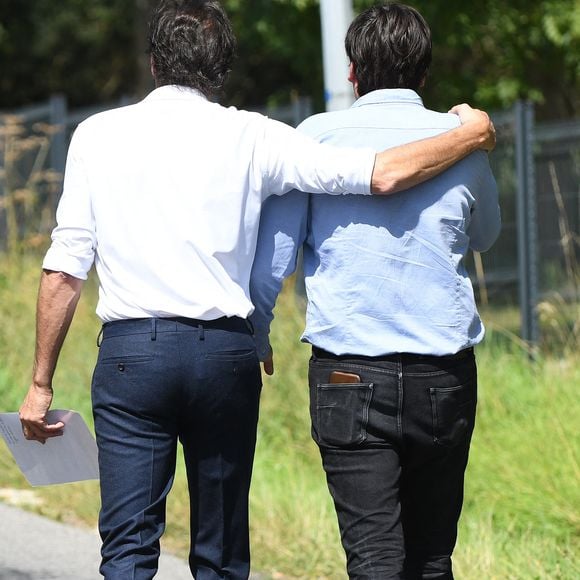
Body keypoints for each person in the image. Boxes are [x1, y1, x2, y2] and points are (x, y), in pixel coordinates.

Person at [18, 1, 495, 579]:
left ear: (152, 64)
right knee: (221, 554)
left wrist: (41, 383)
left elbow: (65, 268)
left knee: (127, 546)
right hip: (226, 357)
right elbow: (380, 174)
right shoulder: (257, 137)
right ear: (223, 70)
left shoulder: (96, 136)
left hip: (132, 359)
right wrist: (469, 134)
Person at [250, 3, 501, 579]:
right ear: (424, 73)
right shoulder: (461, 138)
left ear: (353, 72)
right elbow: (485, 235)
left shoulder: (315, 136)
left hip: (347, 373)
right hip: (444, 375)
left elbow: (277, 254)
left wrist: (256, 331)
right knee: (432, 556)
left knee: (373, 559)